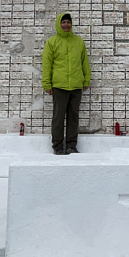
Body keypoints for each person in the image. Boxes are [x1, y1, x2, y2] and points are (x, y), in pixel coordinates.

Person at [42, 12, 91, 155]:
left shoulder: (79, 42)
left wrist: (86, 80)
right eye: (63, 22)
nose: (66, 25)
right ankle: (57, 146)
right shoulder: (52, 42)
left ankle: (71, 146)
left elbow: (84, 63)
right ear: (59, 24)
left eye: (68, 22)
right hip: (59, 86)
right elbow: (47, 64)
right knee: (58, 118)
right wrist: (47, 84)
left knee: (73, 117)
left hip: (76, 85)